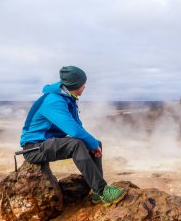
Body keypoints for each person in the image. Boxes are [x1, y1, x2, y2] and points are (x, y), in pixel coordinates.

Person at [20, 66, 125, 207]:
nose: (85, 86)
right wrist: (91, 144)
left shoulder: (68, 99)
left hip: (47, 143)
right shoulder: (54, 101)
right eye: (83, 84)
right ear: (75, 85)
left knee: (94, 143)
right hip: (33, 148)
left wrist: (93, 145)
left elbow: (77, 126)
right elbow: (73, 131)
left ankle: (97, 193)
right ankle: (103, 191)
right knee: (76, 144)